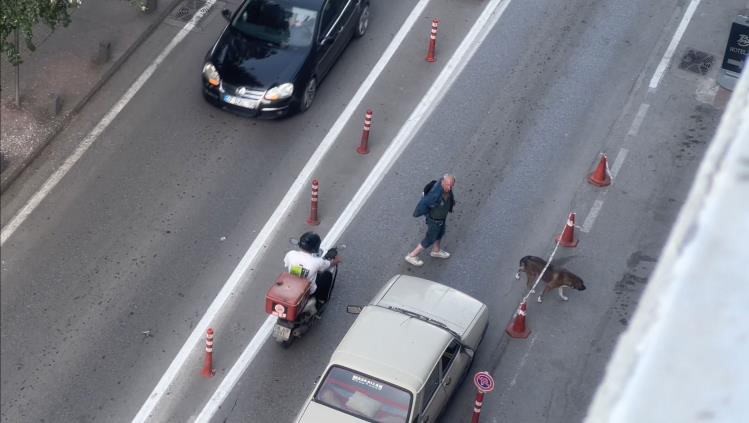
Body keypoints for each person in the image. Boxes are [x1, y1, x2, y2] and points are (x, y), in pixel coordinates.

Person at [405, 174, 456, 267]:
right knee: (430, 239)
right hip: (434, 221)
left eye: (452, 185)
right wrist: (427, 215)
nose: (450, 187)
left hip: (441, 218)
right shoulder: (434, 195)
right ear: (443, 182)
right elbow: (423, 205)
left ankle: (436, 251)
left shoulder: (446, 186)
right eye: (448, 185)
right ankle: (412, 256)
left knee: (440, 233)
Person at [284, 232, 340, 305]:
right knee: (327, 275)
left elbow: (287, 264)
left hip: (292, 286)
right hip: (309, 291)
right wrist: (337, 260)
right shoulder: (317, 261)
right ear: (316, 247)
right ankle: (321, 299)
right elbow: (329, 264)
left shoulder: (291, 254)